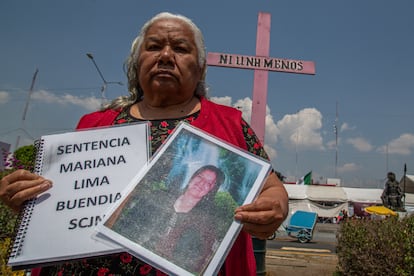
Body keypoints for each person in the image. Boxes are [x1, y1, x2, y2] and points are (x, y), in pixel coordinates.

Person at [0, 12, 289, 275]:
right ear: (137, 63)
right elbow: (67, 200)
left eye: (180, 48)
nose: (165, 56)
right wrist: (30, 202)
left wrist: (275, 206)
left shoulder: (230, 124)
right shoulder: (94, 124)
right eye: (153, 47)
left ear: (200, 69)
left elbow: (271, 186)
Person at [108, 165, 227, 274]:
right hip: (125, 258)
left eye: (208, 182)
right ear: (192, 177)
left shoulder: (205, 225)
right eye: (200, 177)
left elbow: (193, 263)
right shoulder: (157, 196)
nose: (201, 183)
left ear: (211, 190)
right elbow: (123, 226)